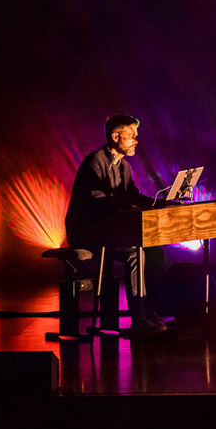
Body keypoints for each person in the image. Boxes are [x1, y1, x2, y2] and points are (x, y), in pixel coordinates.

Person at [65, 114, 170, 335]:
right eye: (131, 136)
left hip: (111, 231)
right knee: (135, 254)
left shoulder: (125, 168)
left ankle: (150, 313)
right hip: (87, 232)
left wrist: (164, 204)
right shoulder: (94, 162)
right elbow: (99, 203)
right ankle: (138, 321)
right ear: (115, 136)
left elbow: (133, 196)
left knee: (156, 253)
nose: (136, 141)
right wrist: (130, 212)